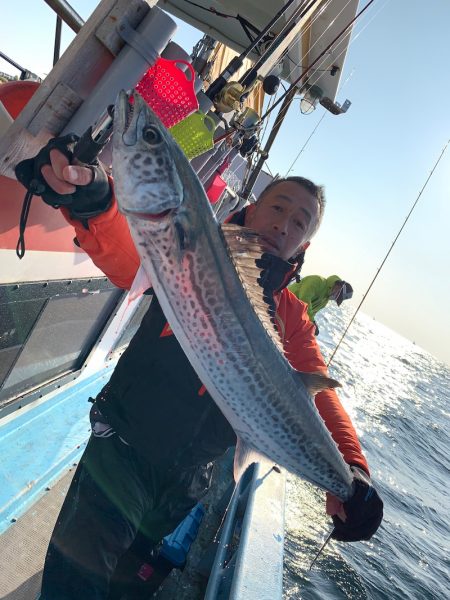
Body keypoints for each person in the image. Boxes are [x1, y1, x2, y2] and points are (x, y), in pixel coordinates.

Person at [27, 137, 383, 600]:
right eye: (278, 207)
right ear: (253, 210)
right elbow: (128, 250)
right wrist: (93, 200)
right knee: (75, 583)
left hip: (188, 479)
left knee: (126, 590)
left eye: (300, 221)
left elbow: (316, 393)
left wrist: (352, 470)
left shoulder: (292, 317)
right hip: (125, 448)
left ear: (305, 243)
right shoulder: (194, 249)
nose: (284, 223)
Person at [289, 275, 353, 335]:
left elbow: (311, 313)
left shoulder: (324, 301)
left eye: (337, 298)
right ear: (339, 287)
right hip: (285, 302)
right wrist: (312, 322)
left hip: (292, 314)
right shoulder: (317, 281)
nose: (335, 298)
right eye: (338, 296)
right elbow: (304, 299)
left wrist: (311, 327)